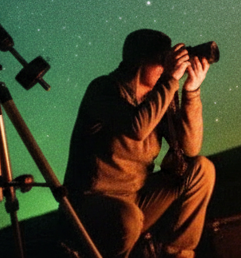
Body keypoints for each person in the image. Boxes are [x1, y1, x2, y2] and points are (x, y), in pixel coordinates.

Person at [64, 29, 215, 258]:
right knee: (128, 217)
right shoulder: (103, 89)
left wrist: (191, 90)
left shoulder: (160, 94)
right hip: (91, 205)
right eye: (161, 61)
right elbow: (137, 127)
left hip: (135, 198)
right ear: (139, 62)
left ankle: (176, 253)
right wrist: (170, 80)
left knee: (202, 169)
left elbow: (191, 148)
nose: (166, 67)